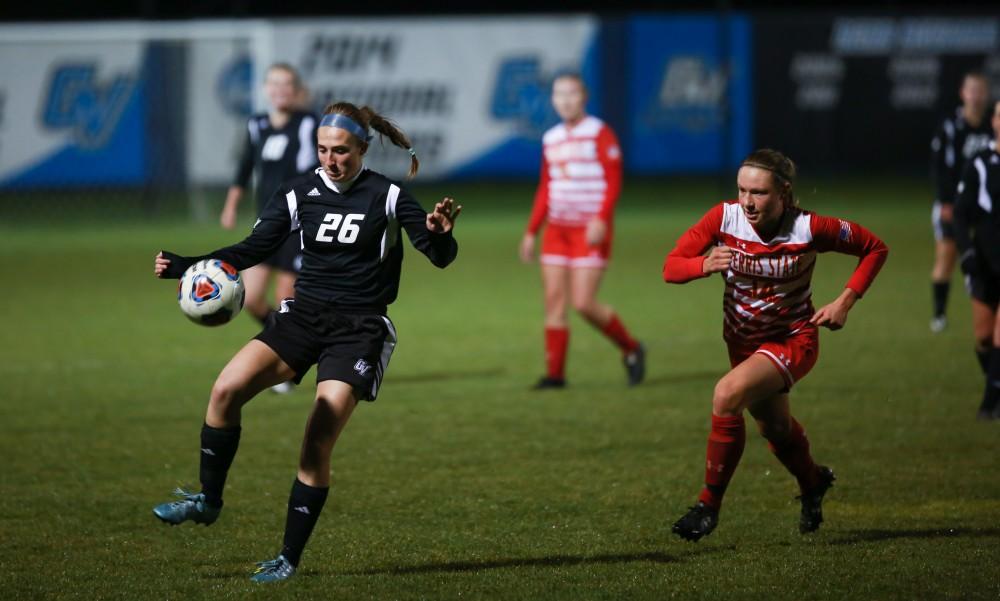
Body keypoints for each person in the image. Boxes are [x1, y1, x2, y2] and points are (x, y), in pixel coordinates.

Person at [151, 101, 461, 583]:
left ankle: (288, 559)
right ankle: (208, 500)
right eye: (322, 149)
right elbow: (253, 249)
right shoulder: (300, 192)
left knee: (316, 438)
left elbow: (439, 257)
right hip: (302, 318)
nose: (330, 159)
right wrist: (192, 264)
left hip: (359, 330)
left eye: (340, 151)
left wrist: (440, 236)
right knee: (225, 389)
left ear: (362, 148)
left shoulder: (390, 196)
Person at [663, 149, 888, 541]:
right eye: (742, 190)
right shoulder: (724, 217)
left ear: (784, 193)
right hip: (741, 343)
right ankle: (813, 482)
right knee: (777, 430)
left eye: (759, 193)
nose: (747, 202)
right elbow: (671, 266)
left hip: (791, 339)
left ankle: (706, 507)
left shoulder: (809, 228)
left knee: (726, 395)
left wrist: (844, 302)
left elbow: (875, 248)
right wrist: (703, 265)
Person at [519, 73, 645, 389]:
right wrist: (531, 231)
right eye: (559, 94)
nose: (565, 100)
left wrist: (602, 218)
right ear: (553, 100)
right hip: (557, 230)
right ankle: (555, 375)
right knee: (554, 301)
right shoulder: (551, 138)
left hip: (589, 230)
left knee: (584, 303)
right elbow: (546, 187)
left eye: (571, 93)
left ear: (584, 97)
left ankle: (631, 348)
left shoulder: (599, 133)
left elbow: (613, 179)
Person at [221, 63, 318, 339]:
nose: (280, 89)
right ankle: (286, 343)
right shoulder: (257, 124)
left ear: (297, 90)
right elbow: (245, 166)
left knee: (285, 301)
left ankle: (285, 358)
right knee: (250, 299)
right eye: (274, 83)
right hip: (267, 222)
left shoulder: (309, 123)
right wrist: (231, 207)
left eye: (286, 84)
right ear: (265, 89)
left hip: (299, 225)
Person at [929, 71, 992, 333]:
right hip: (955, 205)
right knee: (946, 258)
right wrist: (945, 201)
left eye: (980, 90)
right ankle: (939, 315)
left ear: (986, 95)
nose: (976, 96)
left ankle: (987, 312)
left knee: (989, 258)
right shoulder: (951, 127)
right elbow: (939, 166)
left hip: (986, 205)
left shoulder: (993, 125)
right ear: (963, 93)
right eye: (971, 90)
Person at [954, 100, 1000, 420]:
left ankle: (989, 403)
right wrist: (967, 251)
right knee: (983, 338)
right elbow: (960, 213)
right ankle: (994, 380)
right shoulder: (981, 163)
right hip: (985, 261)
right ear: (994, 121)